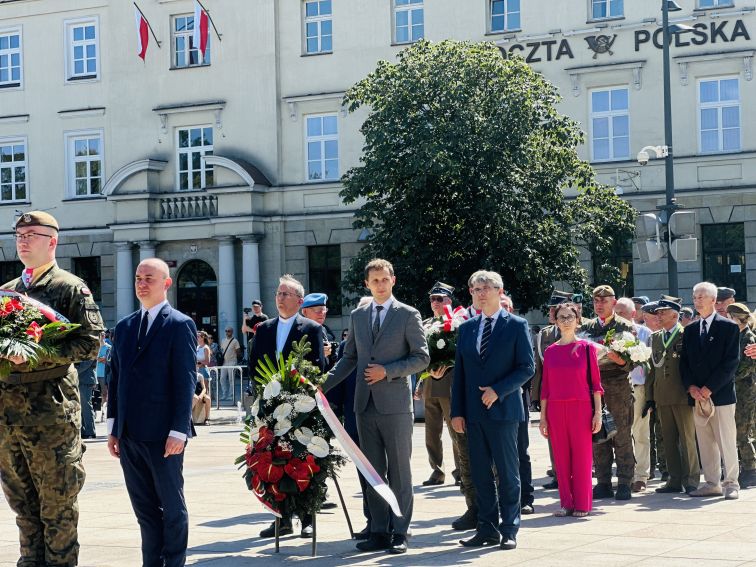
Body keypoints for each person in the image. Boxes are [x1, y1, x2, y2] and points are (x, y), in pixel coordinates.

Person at [0, 211, 103, 567]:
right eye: (19, 234)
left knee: (57, 505)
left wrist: (35, 356)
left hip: (51, 415)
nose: (23, 240)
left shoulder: (70, 288)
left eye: (31, 234)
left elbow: (90, 343)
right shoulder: (8, 292)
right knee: (22, 505)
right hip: (8, 417)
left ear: (52, 241)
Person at [323, 259, 429, 555]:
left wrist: (389, 370)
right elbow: (350, 357)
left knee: (399, 471)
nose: (380, 285)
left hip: (395, 406)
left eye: (385, 279)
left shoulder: (408, 314)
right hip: (363, 405)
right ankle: (379, 531)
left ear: (393, 280)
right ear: (366, 284)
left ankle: (400, 531)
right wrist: (322, 384)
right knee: (372, 472)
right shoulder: (358, 315)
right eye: (375, 281)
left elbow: (422, 358)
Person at [107, 258, 197, 567]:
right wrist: (114, 428)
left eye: (149, 278)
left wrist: (179, 429)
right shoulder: (125, 326)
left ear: (166, 284)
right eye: (138, 278)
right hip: (130, 434)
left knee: (171, 507)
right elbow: (116, 379)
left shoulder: (179, 324)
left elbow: (185, 380)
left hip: (164, 435)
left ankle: (173, 562)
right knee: (144, 508)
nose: (141, 283)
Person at [451, 270, 534, 551]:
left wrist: (498, 390)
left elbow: (526, 367)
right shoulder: (467, 328)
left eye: (486, 287)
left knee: (508, 473)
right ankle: (487, 528)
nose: (481, 292)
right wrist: (457, 412)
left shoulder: (516, 325)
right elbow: (460, 375)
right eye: (475, 289)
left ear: (500, 291)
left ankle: (509, 528)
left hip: (504, 411)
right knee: (480, 474)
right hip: (473, 414)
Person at [249, 274, 325, 539]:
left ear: (299, 300)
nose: (280, 298)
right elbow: (254, 366)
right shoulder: (265, 329)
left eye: (286, 294)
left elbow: (317, 369)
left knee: (303, 459)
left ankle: (307, 518)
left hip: (301, 409)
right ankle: (280, 518)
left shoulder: (311, 329)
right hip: (270, 409)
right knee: (272, 459)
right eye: (278, 293)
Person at [539, 302, 603, 517]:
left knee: (582, 457)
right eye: (561, 317)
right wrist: (543, 418)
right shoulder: (550, 351)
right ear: (555, 321)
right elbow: (545, 387)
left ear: (578, 320)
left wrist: (598, 413)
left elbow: (596, 385)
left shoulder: (587, 349)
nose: (566, 321)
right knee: (561, 457)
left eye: (570, 317)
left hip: (581, 408)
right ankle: (566, 503)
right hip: (556, 410)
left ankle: (583, 504)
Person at [681, 282, 741, 500]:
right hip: (697, 396)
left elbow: (731, 363)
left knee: (726, 439)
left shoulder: (729, 327)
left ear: (713, 300)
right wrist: (691, 387)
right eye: (695, 296)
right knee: (705, 442)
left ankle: (731, 482)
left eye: (701, 297)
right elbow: (684, 363)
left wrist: (709, 388)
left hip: (721, 395)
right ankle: (711, 482)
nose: (697, 300)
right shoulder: (689, 329)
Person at [579, 285, 636, 501]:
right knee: (598, 435)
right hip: (592, 388)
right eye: (596, 301)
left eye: (604, 301)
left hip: (617, 387)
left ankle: (624, 482)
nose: (599, 305)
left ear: (614, 302)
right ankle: (603, 482)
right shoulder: (586, 327)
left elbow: (630, 362)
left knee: (621, 435)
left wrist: (611, 354)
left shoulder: (624, 327)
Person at [644, 297, 700, 495]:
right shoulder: (656, 337)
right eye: (657, 312)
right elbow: (652, 369)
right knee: (668, 440)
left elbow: (695, 365)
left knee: (688, 440)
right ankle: (674, 479)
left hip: (683, 395)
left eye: (663, 312)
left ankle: (691, 479)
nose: (658, 315)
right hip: (662, 395)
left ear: (675, 315)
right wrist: (650, 397)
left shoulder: (687, 335)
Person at [532, 290, 573, 491]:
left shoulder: (578, 330)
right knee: (553, 437)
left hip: (574, 394)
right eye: (551, 308)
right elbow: (539, 368)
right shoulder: (545, 334)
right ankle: (559, 474)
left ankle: (577, 473)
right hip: (552, 394)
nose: (552, 311)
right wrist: (535, 396)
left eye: (556, 307)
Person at [418, 282, 458, 487]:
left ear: (449, 301)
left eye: (439, 299)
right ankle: (437, 470)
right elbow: (422, 357)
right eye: (432, 299)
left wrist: (445, 366)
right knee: (432, 432)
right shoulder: (425, 324)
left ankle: (460, 469)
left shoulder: (456, 322)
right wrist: (420, 383)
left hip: (449, 381)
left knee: (455, 429)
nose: (435, 302)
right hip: (430, 383)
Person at [500, 293, 536, 515]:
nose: (502, 309)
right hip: (488, 400)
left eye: (506, 306)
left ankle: (526, 498)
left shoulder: (519, 328)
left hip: (516, 398)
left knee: (520, 451)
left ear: (511, 309)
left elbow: (528, 367)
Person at [614, 297, 652, 493]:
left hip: (639, 388)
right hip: (616, 390)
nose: (618, 316)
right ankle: (625, 474)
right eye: (616, 312)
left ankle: (641, 475)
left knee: (640, 433)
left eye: (622, 312)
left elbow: (652, 367)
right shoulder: (611, 334)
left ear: (633, 314)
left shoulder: (646, 334)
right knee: (620, 434)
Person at [725, 302, 756, 488]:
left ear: (735, 318)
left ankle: (751, 469)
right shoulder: (737, 335)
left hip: (746, 391)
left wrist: (729, 377)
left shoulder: (748, 338)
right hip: (738, 389)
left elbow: (748, 366)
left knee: (743, 430)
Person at [301, 293, 338, 370]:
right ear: (304, 312)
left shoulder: (324, 329)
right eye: (317, 310)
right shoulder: (298, 331)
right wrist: (319, 355)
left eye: (324, 310)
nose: (322, 313)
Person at [77, 358, 98, 440]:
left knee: (86, 407)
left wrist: (72, 371)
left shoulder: (89, 346)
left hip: (85, 380)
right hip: (80, 379)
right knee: (80, 407)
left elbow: (85, 364)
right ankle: (83, 431)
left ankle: (90, 431)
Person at [219, 327, 241, 401]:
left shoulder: (235, 341)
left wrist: (236, 359)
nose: (227, 332)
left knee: (231, 379)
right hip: (224, 362)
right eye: (226, 331)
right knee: (222, 378)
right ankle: (224, 394)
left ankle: (231, 395)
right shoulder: (223, 340)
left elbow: (238, 352)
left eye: (228, 331)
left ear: (232, 332)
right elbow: (222, 350)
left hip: (232, 361)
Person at [96, 331, 112, 414]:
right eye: (100, 335)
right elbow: (95, 358)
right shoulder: (95, 347)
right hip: (95, 374)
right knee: (94, 394)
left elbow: (108, 360)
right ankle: (95, 411)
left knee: (104, 393)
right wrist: (101, 359)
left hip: (103, 374)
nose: (102, 336)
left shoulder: (109, 347)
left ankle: (102, 411)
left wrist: (99, 359)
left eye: (103, 334)